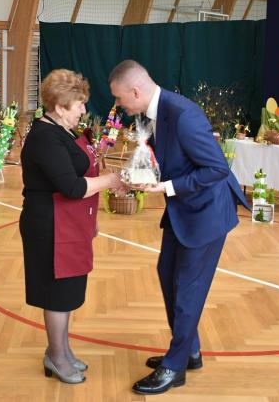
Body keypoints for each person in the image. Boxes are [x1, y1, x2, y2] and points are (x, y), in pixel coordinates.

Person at [109, 59, 249, 395]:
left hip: (206, 212)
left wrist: (166, 187)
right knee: (167, 274)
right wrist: (139, 177)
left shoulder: (184, 114)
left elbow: (216, 168)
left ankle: (175, 366)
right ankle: (190, 352)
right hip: (182, 210)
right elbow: (165, 159)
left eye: (119, 98)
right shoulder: (149, 114)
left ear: (136, 91)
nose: (118, 105)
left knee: (187, 289)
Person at [20, 68, 123, 384]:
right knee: (57, 294)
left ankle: (62, 351)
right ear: (60, 107)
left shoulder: (65, 131)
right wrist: (112, 180)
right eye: (79, 104)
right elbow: (73, 187)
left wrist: (91, 220)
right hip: (49, 226)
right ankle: (56, 356)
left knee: (67, 292)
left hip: (70, 223)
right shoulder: (44, 137)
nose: (83, 109)